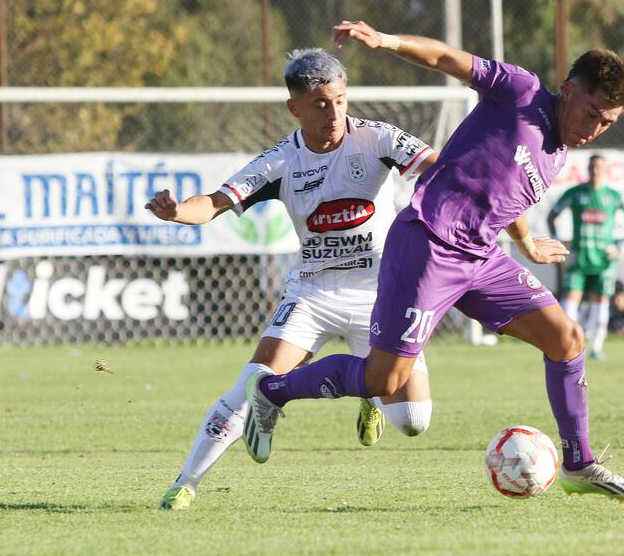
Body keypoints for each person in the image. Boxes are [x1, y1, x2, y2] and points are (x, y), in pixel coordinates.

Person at [242, 20, 624, 501]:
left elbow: (501, 195)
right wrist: (388, 40)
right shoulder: (520, 92)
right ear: (569, 90)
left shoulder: (559, 152)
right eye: (592, 113)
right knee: (383, 378)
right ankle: (273, 392)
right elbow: (445, 58)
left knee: (566, 338)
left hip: (481, 256)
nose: (595, 129)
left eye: (607, 123)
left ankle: (579, 464)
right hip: (428, 243)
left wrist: (527, 243)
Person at [147, 48, 440, 510]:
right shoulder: (279, 162)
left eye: (340, 100)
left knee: (414, 420)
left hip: (380, 293)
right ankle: (185, 484)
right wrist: (178, 211)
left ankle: (367, 391)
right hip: (313, 292)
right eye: (321, 103)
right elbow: (214, 203)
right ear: (295, 107)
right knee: (253, 381)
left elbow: (439, 167)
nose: (334, 112)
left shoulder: (377, 138)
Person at [547, 154, 624, 359]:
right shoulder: (575, 193)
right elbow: (552, 215)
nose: (595, 171)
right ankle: (569, 344)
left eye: (599, 167)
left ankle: (596, 347)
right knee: (570, 300)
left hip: (604, 261)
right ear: (587, 169)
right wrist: (559, 244)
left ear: (605, 170)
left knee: (601, 303)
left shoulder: (613, 196)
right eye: (592, 167)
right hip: (579, 259)